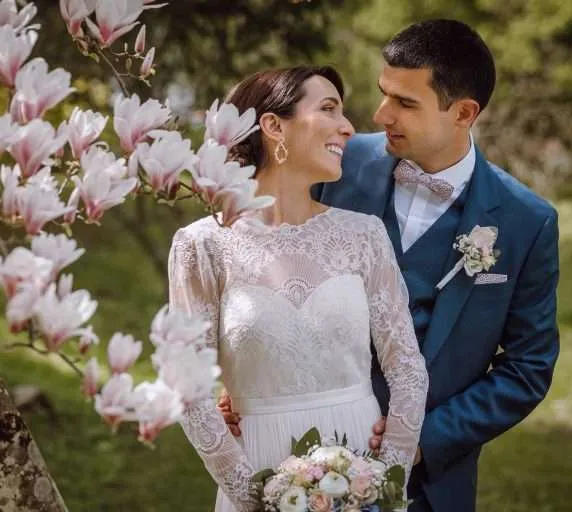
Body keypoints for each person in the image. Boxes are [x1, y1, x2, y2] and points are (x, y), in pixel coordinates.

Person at [222, 19, 560, 512]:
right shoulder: (334, 164)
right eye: (384, 94)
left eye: (405, 103)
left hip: (431, 484)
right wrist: (244, 378)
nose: (380, 115)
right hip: (298, 461)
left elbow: (527, 368)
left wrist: (423, 439)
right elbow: (263, 267)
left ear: (464, 112)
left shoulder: (526, 221)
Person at [168, 66, 429, 511]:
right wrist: (257, 499)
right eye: (328, 109)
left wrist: (384, 483)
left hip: (361, 475)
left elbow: (406, 369)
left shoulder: (363, 235)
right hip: (256, 473)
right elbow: (188, 390)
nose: (348, 127)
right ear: (273, 126)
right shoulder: (202, 245)